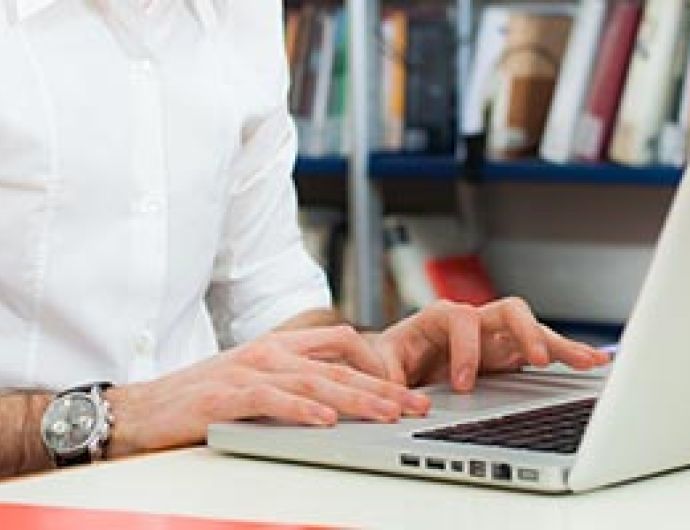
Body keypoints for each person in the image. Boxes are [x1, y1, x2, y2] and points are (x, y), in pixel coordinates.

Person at [0, 0, 609, 479]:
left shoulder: (243, 14)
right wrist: (117, 417)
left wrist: (374, 363)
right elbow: (140, 412)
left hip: (191, 483)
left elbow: (270, 290)